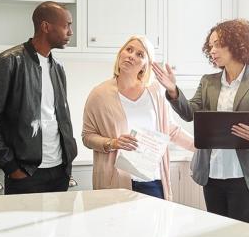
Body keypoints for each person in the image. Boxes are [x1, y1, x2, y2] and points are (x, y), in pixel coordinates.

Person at [151, 19, 249, 225]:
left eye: (218, 44)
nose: (212, 50)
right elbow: (190, 113)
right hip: (212, 175)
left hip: (247, 177)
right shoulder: (208, 82)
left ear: (238, 43)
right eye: (210, 45)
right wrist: (173, 91)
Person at [0, 2, 78, 194]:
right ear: (46, 27)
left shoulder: (58, 68)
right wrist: (11, 167)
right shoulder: (9, 61)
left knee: (59, 225)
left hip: (60, 171)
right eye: (67, 25)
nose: (71, 32)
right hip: (26, 174)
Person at [82, 36, 194, 199]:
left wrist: (202, 148)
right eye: (129, 49)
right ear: (121, 53)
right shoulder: (99, 94)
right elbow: (87, 136)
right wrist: (112, 143)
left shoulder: (156, 91)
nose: (131, 55)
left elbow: (171, 131)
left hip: (153, 180)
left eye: (140, 54)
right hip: (116, 182)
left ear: (145, 65)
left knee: (156, 224)